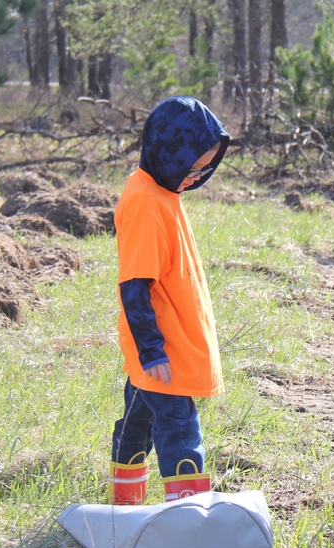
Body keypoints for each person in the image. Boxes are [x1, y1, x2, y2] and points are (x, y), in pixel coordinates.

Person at [109, 96, 230, 505]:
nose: (198, 177)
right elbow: (134, 286)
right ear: (168, 154)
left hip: (163, 351)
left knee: (136, 425)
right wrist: (152, 351)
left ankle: (124, 505)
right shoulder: (145, 204)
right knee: (180, 431)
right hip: (165, 354)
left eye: (205, 168)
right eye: (192, 167)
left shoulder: (161, 190)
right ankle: (188, 516)